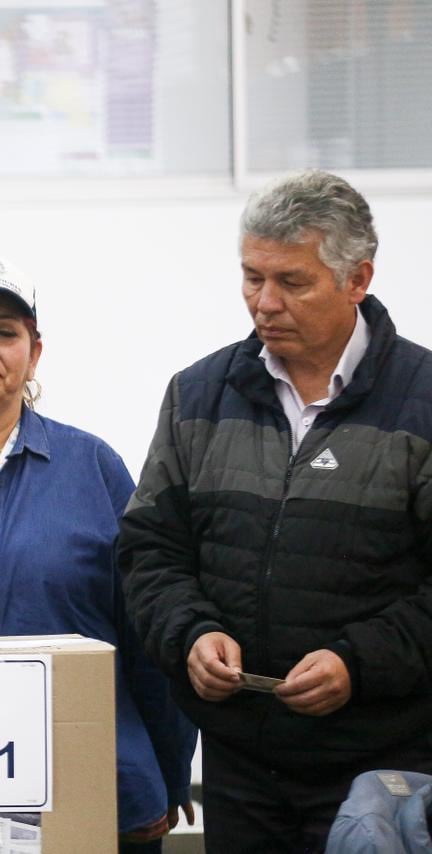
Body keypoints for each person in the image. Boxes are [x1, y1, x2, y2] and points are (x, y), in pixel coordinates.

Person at [118, 170, 432, 852]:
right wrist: (191, 635)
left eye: (292, 281)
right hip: (240, 765)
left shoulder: (423, 401)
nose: (264, 302)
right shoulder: (200, 394)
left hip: (383, 769)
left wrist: (357, 663)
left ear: (357, 279)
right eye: (252, 277)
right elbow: (149, 549)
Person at [0, 255, 197, 852]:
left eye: (5, 331)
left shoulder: (93, 467)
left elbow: (149, 635)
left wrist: (163, 775)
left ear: (34, 353)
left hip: (95, 789)